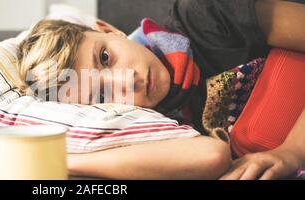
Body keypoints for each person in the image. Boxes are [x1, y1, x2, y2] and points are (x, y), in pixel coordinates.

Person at [16, 0, 305, 179]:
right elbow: (209, 156)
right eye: (102, 96)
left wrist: (292, 151)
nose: (127, 81)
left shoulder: (206, 16)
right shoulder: (145, 129)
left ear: (108, 30)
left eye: (105, 58)